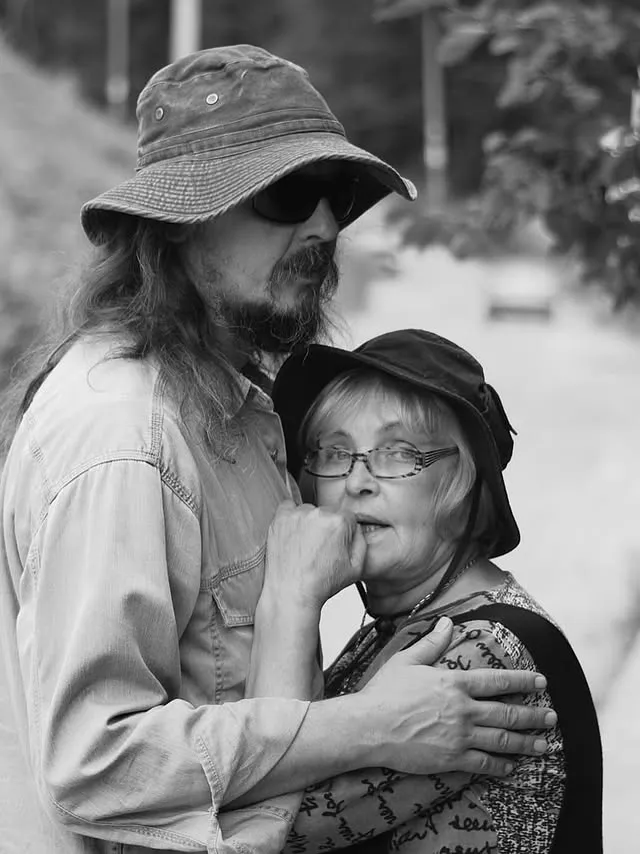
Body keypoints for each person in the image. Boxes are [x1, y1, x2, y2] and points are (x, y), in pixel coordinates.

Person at [0, 47, 556, 854]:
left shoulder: (237, 412)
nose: (324, 226)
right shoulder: (122, 432)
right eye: (290, 194)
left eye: (336, 198)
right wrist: (365, 726)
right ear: (180, 222)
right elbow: (97, 764)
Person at [268, 328, 603, 853]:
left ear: (464, 484)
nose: (356, 482)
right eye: (334, 452)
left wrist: (289, 598)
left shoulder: (486, 652)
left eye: (398, 453)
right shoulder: (392, 631)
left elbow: (268, 828)